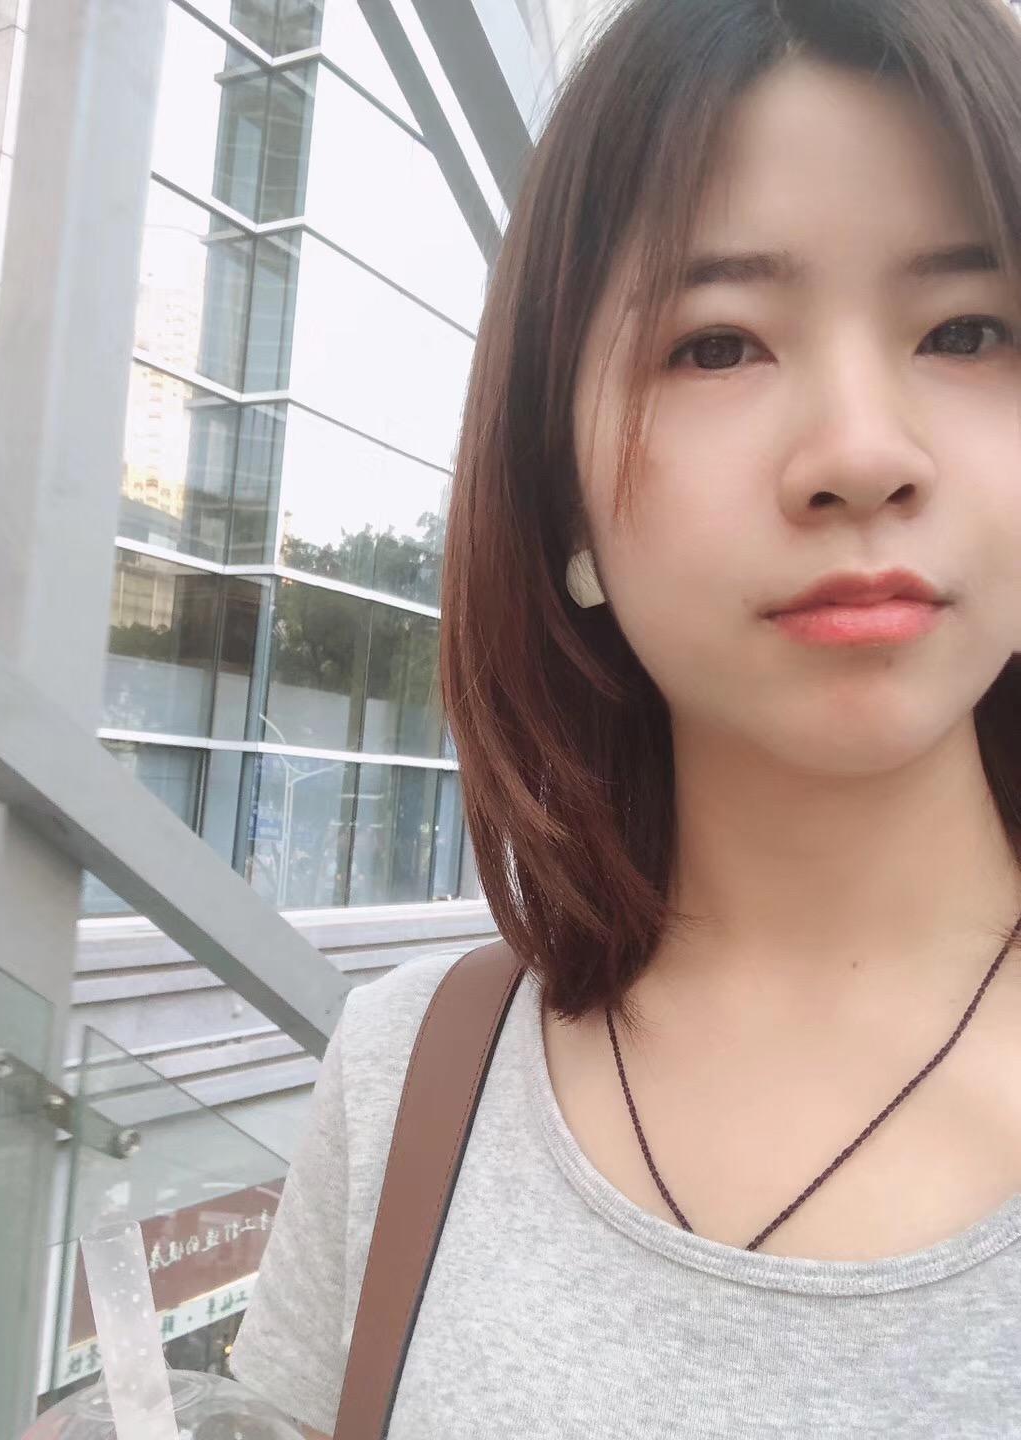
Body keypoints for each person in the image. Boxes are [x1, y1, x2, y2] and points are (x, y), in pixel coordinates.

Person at [229, 0, 1021, 1433]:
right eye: (718, 346)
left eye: (965, 329)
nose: (860, 453)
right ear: (562, 489)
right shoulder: (413, 1080)